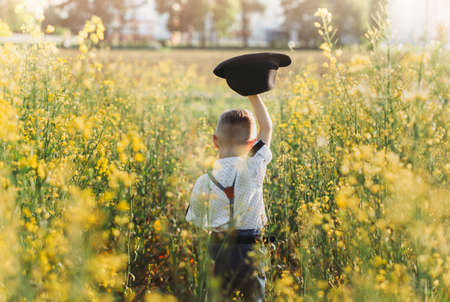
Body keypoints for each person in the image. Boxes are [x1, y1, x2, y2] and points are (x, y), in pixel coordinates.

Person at [186, 94, 272, 301]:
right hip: (251, 248)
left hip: (218, 249)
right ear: (251, 143)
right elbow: (267, 127)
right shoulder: (254, 166)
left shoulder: (202, 181)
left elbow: (196, 222)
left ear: (215, 141)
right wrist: (253, 93)